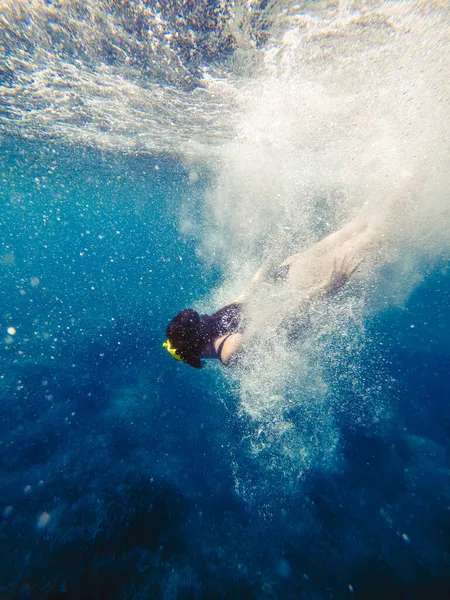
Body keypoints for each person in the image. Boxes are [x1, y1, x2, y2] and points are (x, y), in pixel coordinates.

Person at [163, 210, 381, 368]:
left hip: (295, 280)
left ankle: (390, 199)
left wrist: (325, 287)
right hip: (294, 278)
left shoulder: (223, 341)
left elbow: (265, 306)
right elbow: (265, 305)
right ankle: (385, 201)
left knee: (364, 234)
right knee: (361, 233)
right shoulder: (223, 335)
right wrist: (325, 287)